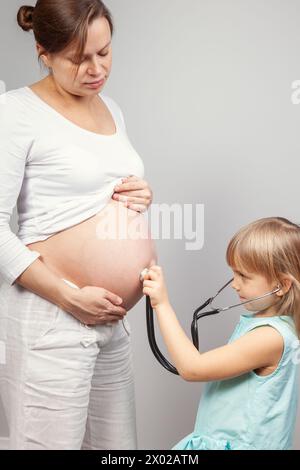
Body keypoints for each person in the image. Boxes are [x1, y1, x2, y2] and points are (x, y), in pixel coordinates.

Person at [0, 0, 156, 450]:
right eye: (77, 58)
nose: (95, 69)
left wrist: (140, 195)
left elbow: (92, 194)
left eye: (104, 53)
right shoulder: (15, 112)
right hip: (54, 314)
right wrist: (70, 296)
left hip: (111, 319)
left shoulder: (112, 108)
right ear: (43, 52)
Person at [142, 217, 300, 450]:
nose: (235, 285)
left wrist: (162, 305)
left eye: (244, 276)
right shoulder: (260, 326)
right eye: (233, 274)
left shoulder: (271, 338)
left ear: (282, 285)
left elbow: (192, 368)